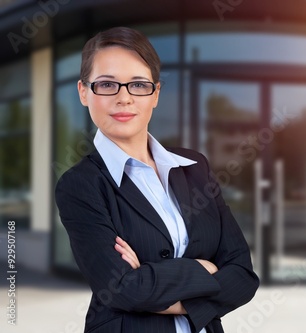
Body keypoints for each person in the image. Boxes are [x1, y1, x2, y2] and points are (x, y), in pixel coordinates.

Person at [55, 26, 259, 333]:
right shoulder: (80, 185)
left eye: (138, 84)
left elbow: (243, 275)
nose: (123, 98)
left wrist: (151, 279)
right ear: (84, 92)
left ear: (156, 93)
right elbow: (122, 289)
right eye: (107, 84)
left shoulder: (194, 167)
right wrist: (204, 269)